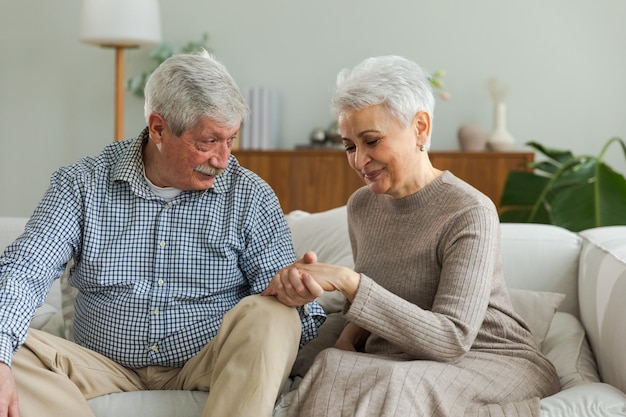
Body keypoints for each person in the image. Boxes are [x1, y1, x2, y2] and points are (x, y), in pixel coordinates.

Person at [0, 50, 324, 417]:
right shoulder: (82, 185)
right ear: (158, 129)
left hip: (208, 363)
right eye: (208, 141)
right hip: (101, 366)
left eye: (230, 140)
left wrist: (294, 294)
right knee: (10, 351)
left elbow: (293, 312)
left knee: (275, 316)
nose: (222, 159)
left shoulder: (249, 195)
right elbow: (23, 269)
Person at [263, 55, 560, 417]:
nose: (359, 161)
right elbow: (373, 308)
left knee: (397, 384)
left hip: (490, 357)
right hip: (406, 353)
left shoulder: (469, 212)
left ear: (420, 128)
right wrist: (321, 343)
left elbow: (451, 339)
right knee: (330, 366)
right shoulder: (362, 207)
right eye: (350, 146)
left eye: (371, 141)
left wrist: (348, 281)